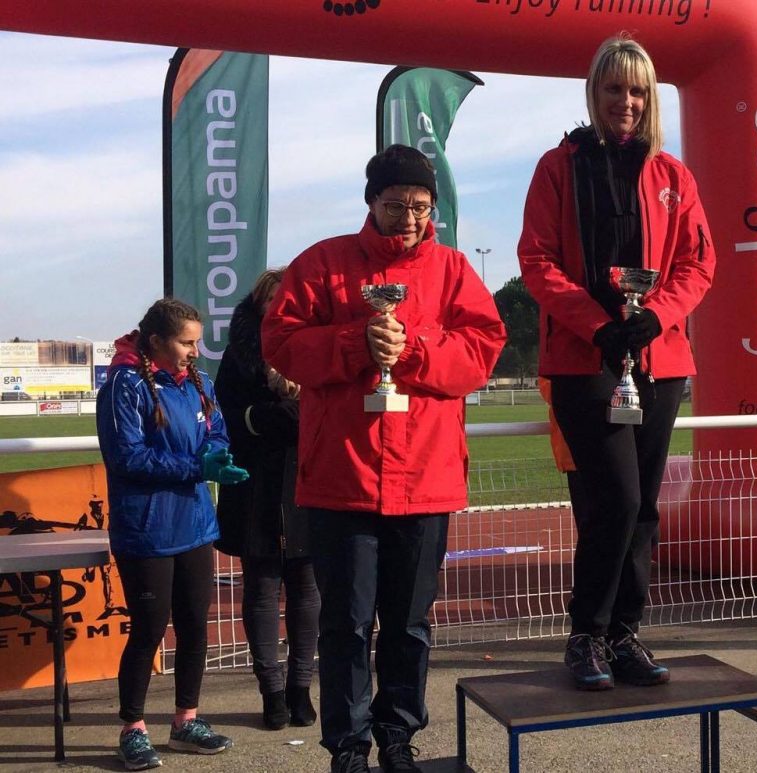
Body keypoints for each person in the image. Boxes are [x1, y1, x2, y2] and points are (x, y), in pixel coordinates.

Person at [261, 144, 505, 773]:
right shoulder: (322, 264)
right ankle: (347, 744)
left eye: (421, 207)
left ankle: (398, 736)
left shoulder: (453, 271)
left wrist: (414, 347)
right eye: (395, 204)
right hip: (342, 477)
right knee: (344, 624)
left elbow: (482, 350)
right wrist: (353, 341)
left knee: (408, 623)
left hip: (425, 479)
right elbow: (281, 343)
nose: (409, 218)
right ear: (370, 202)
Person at [517, 33, 715, 691]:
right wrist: (599, 325)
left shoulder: (673, 174)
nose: (625, 101)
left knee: (645, 506)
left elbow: (698, 262)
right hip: (585, 357)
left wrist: (657, 315)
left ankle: (626, 633)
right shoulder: (558, 165)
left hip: (660, 356)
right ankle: (587, 633)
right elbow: (537, 261)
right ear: (594, 93)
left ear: (649, 97)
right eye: (613, 88)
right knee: (617, 499)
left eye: (636, 90)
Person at [97, 298, 247, 770]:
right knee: (147, 630)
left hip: (196, 524)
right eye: (186, 342)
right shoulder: (124, 383)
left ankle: (186, 720)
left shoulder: (197, 381)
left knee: (194, 627)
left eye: (196, 341)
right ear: (157, 341)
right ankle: (133, 728)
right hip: (147, 529)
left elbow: (217, 430)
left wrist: (217, 457)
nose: (194, 351)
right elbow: (128, 458)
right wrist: (194, 466)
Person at [214, 268, 318, 730]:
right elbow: (228, 419)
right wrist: (274, 415)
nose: (281, 307)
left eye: (288, 299)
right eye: (272, 300)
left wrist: (285, 416)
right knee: (259, 590)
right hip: (253, 486)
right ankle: (271, 692)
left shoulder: (317, 345)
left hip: (308, 484)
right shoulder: (237, 358)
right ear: (258, 305)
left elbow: (327, 411)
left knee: (307, 592)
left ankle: (300, 688)